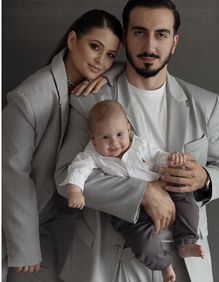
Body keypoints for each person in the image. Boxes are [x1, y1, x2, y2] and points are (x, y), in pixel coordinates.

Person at [55, 0, 219, 281]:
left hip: (187, 262)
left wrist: (205, 178)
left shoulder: (206, 103)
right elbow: (66, 178)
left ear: (174, 42)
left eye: (161, 34)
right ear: (125, 38)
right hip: (111, 262)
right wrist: (141, 192)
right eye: (139, 32)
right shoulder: (90, 101)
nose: (150, 46)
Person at [2, 9, 123, 282]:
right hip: (19, 223)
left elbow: (122, 67)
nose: (101, 61)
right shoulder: (29, 97)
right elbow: (12, 173)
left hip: (56, 222)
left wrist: (109, 74)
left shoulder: (93, 85)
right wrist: (26, 248)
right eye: (95, 47)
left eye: (110, 55)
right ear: (71, 40)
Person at [59, 100, 204, 282]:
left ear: (128, 129)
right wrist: (75, 191)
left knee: (187, 203)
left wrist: (172, 159)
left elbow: (157, 157)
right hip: (129, 211)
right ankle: (165, 265)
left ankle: (186, 242)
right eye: (105, 137)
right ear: (93, 138)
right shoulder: (92, 155)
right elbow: (78, 169)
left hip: (162, 188)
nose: (114, 143)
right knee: (142, 244)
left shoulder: (140, 145)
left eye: (119, 134)